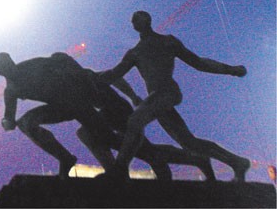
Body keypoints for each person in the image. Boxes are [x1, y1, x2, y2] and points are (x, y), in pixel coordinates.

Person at [98, 10, 250, 181]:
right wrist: (92, 77)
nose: (138, 22)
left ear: (148, 20)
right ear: (134, 26)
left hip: (167, 92)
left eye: (140, 18)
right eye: (135, 20)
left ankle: (119, 169)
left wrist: (231, 70)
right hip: (157, 99)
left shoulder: (167, 42)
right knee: (189, 143)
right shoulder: (135, 53)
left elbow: (198, 62)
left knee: (135, 120)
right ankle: (237, 162)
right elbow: (114, 74)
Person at [0, 51, 118, 179]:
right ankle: (65, 158)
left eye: (9, 64)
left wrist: (87, 85)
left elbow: (61, 58)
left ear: (12, 62)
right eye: (5, 68)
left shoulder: (33, 65)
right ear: (1, 73)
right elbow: (8, 118)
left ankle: (127, 157)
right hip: (59, 108)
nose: (10, 69)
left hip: (77, 100)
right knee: (27, 123)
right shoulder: (11, 90)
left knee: (108, 138)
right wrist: (7, 123)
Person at [76, 75, 216, 181]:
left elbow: (113, 78)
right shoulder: (75, 78)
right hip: (111, 111)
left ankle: (117, 170)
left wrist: (132, 96)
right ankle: (195, 159)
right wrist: (132, 96)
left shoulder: (79, 76)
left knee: (87, 133)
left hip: (115, 110)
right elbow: (114, 78)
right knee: (145, 150)